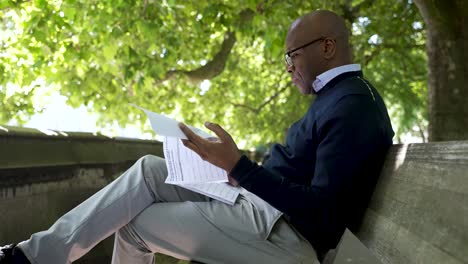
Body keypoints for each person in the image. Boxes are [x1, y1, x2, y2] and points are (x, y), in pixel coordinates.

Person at [0, 9, 394, 264]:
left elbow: (323, 217)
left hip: (285, 237)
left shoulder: (352, 106)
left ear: (327, 47)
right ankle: (29, 257)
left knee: (135, 224)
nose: (288, 67)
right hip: (262, 210)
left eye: (292, 56)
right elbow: (304, 178)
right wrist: (234, 170)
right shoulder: (340, 97)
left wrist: (239, 166)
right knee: (151, 170)